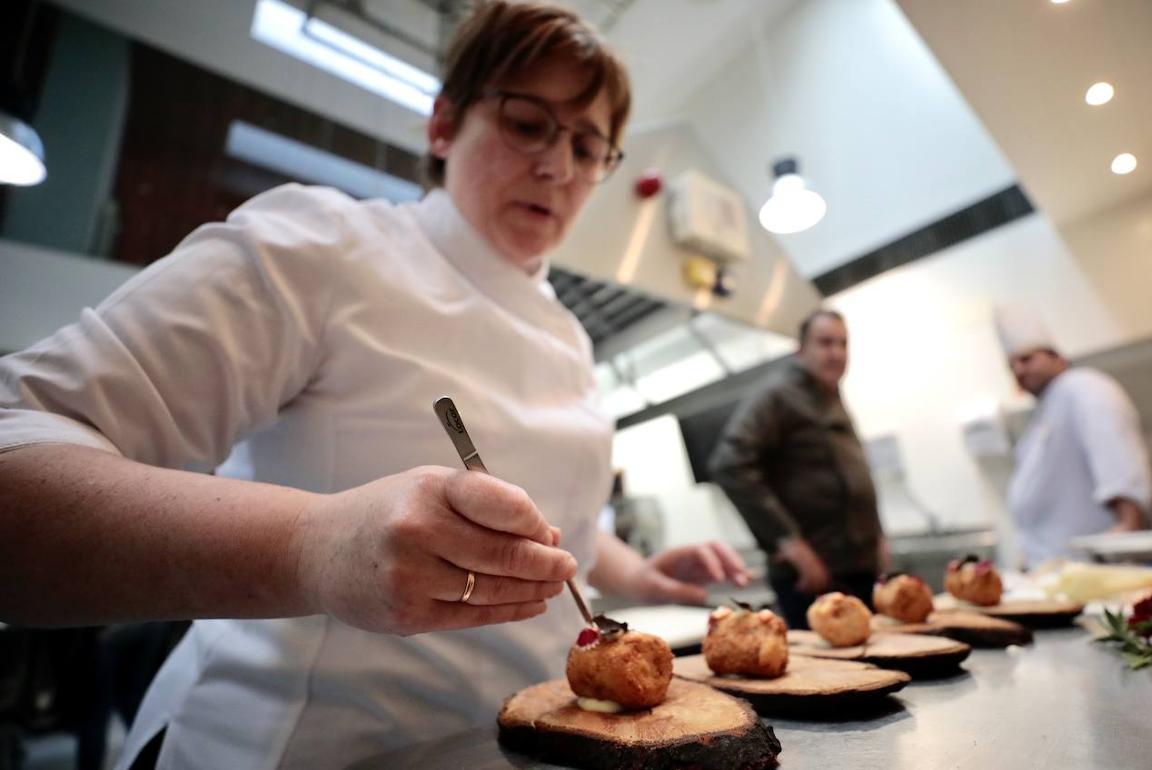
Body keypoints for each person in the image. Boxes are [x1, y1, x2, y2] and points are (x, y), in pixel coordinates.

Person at [0, 3, 749, 767]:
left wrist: (633, 569)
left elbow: (555, 522)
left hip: (527, 746)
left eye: (589, 146)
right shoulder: (324, 248)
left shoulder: (570, 333)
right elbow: (15, 452)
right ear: (443, 125)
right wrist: (312, 548)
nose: (559, 167)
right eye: (528, 123)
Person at [709, 309, 886, 629]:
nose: (836, 353)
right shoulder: (777, 395)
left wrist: (877, 539)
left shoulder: (831, 395)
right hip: (814, 578)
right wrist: (789, 542)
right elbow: (729, 464)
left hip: (858, 569)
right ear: (800, 349)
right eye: (825, 343)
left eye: (843, 344)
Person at [995, 306, 1152, 567]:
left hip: (1091, 569)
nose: (1019, 371)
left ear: (1057, 357)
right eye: (1012, 366)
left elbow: (1116, 452)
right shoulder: (1043, 412)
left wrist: (1128, 524)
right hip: (1051, 571)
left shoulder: (1084, 386)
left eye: (1026, 359)